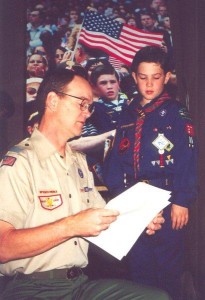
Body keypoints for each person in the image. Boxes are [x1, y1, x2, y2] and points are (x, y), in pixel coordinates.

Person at [0, 68, 170, 300]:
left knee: (156, 298)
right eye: (81, 103)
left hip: (78, 284)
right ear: (52, 100)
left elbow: (103, 219)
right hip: (30, 287)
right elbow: (3, 247)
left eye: (89, 106)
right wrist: (71, 225)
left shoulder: (78, 162)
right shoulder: (19, 163)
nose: (87, 113)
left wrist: (140, 219)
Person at [102, 46, 197, 300]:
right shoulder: (127, 114)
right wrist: (119, 198)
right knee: (139, 267)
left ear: (166, 77)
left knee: (168, 267)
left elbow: (188, 158)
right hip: (132, 200)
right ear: (134, 77)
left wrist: (181, 200)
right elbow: (114, 159)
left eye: (156, 77)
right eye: (143, 77)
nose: (149, 83)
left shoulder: (177, 113)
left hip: (166, 198)